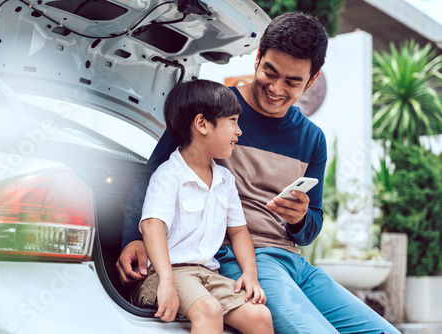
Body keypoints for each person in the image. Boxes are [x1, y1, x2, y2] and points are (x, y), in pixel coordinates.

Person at [118, 12, 401, 334]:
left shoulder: (312, 138)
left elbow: (312, 228)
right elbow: (151, 176)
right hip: (241, 258)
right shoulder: (212, 110)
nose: (276, 88)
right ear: (257, 59)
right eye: (271, 71)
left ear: (311, 80)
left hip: (295, 263)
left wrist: (298, 219)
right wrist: (133, 239)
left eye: (293, 81)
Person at [131, 79, 274, 334]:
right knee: (209, 310)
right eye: (232, 121)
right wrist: (166, 281)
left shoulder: (225, 180)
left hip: (208, 274)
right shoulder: (168, 175)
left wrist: (250, 274)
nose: (238, 131)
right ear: (202, 124)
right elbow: (152, 225)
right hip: (167, 274)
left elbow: (239, 231)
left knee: (260, 316)